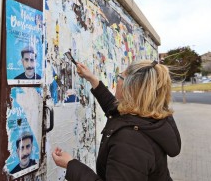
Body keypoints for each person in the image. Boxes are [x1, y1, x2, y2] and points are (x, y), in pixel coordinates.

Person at [52, 60, 181, 180]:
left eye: (120, 77)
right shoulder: (147, 117)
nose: (117, 80)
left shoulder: (130, 141)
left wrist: (71, 165)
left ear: (130, 88)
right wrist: (91, 79)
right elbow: (113, 108)